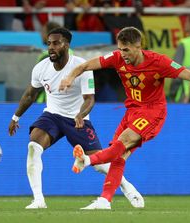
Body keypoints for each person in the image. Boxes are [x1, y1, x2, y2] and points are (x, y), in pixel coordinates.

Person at [59, 26, 190, 210]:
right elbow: (85, 65)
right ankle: (105, 200)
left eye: (126, 49)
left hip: (153, 112)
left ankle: (87, 161)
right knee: (118, 155)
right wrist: (69, 78)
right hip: (132, 111)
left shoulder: (159, 62)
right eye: (120, 49)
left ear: (138, 46)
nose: (122, 54)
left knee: (123, 141)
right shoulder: (117, 58)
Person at [8, 27, 144, 209]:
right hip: (52, 116)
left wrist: (80, 114)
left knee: (99, 163)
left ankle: (127, 186)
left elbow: (89, 99)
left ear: (66, 45)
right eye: (49, 43)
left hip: (77, 119)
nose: (51, 48)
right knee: (33, 147)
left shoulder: (81, 66)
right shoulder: (41, 68)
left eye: (56, 43)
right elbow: (30, 95)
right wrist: (16, 117)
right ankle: (38, 200)